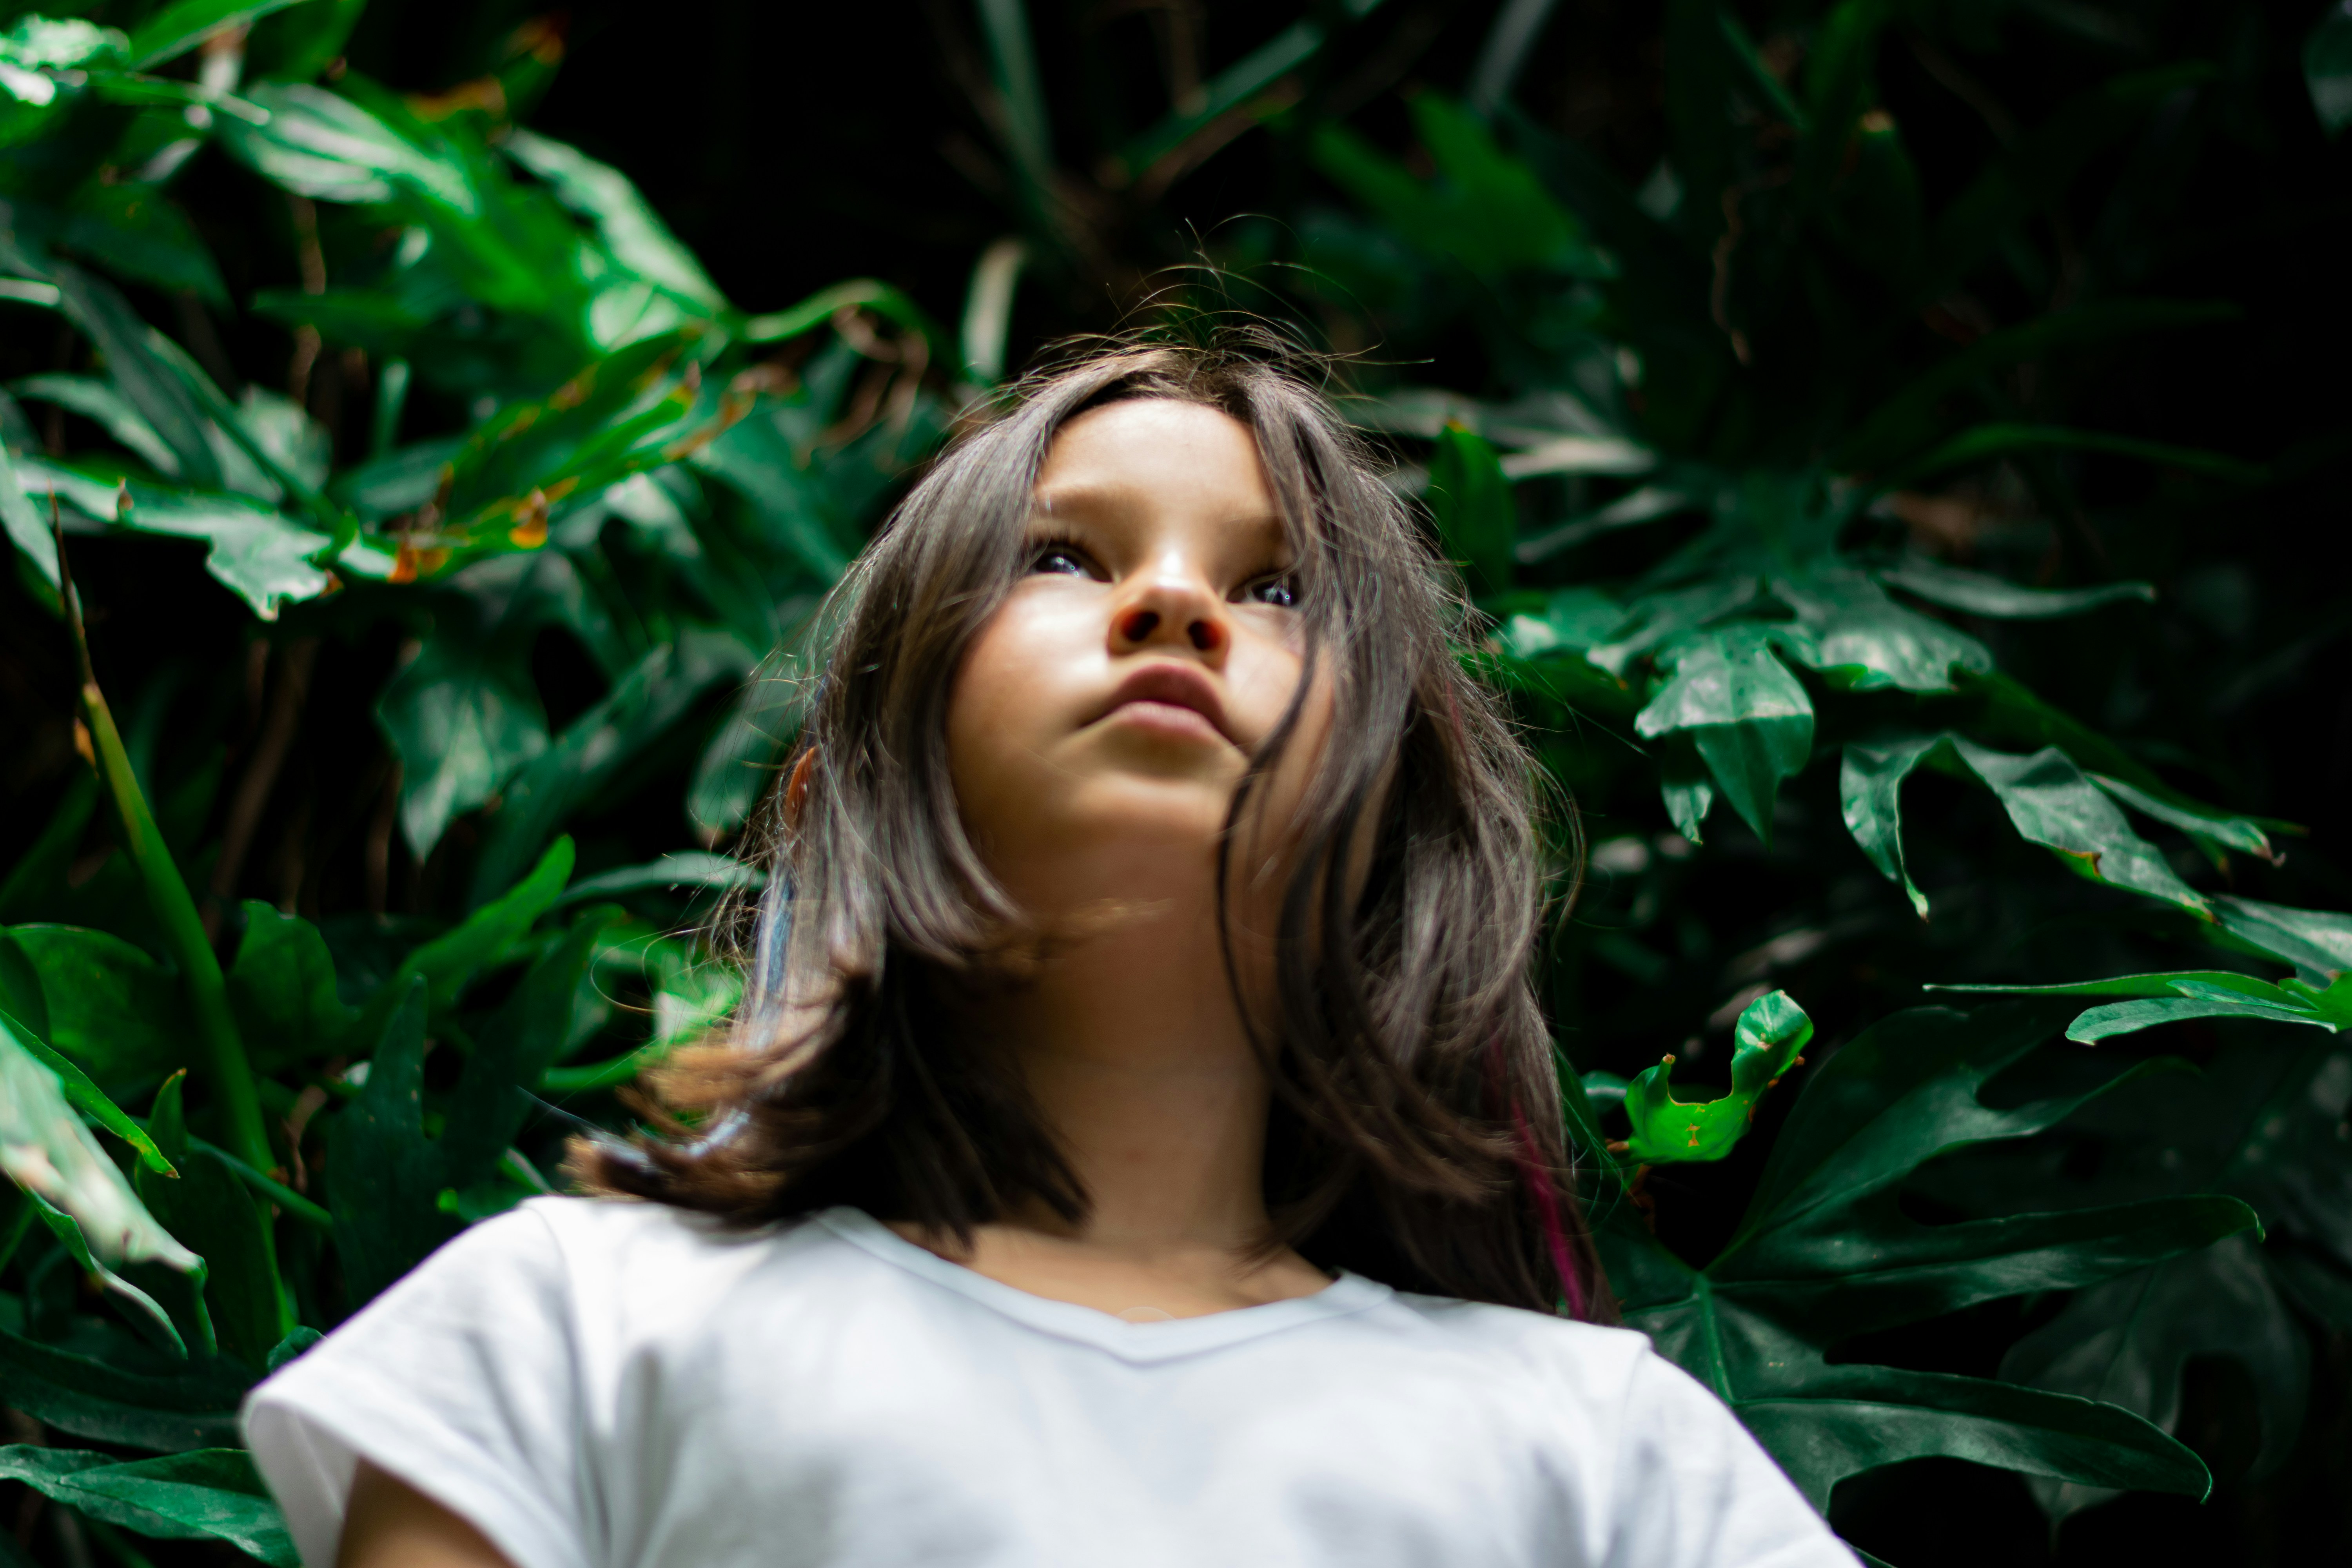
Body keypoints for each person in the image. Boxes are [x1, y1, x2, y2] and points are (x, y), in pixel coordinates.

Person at [243, 332, 1855, 1568]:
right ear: (845, 784)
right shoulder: (570, 1338)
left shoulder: (1608, 1463)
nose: (1176, 605)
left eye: (1277, 589)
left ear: (1393, 823)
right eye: (1065, 556)